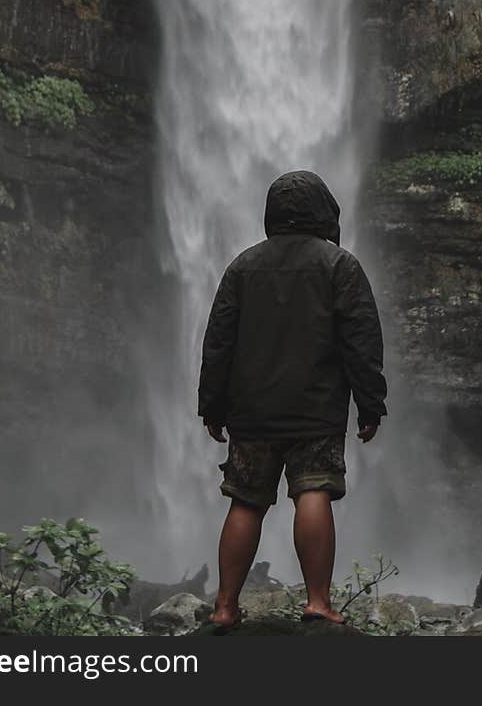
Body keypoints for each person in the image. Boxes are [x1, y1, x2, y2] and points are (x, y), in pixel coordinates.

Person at [197, 169, 387, 627]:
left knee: (245, 501)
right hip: (315, 410)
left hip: (252, 412)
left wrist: (212, 404)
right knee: (314, 491)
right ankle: (317, 603)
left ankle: (224, 607)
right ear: (324, 211)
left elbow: (218, 341)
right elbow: (361, 342)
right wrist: (370, 403)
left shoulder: (242, 267)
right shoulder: (340, 265)